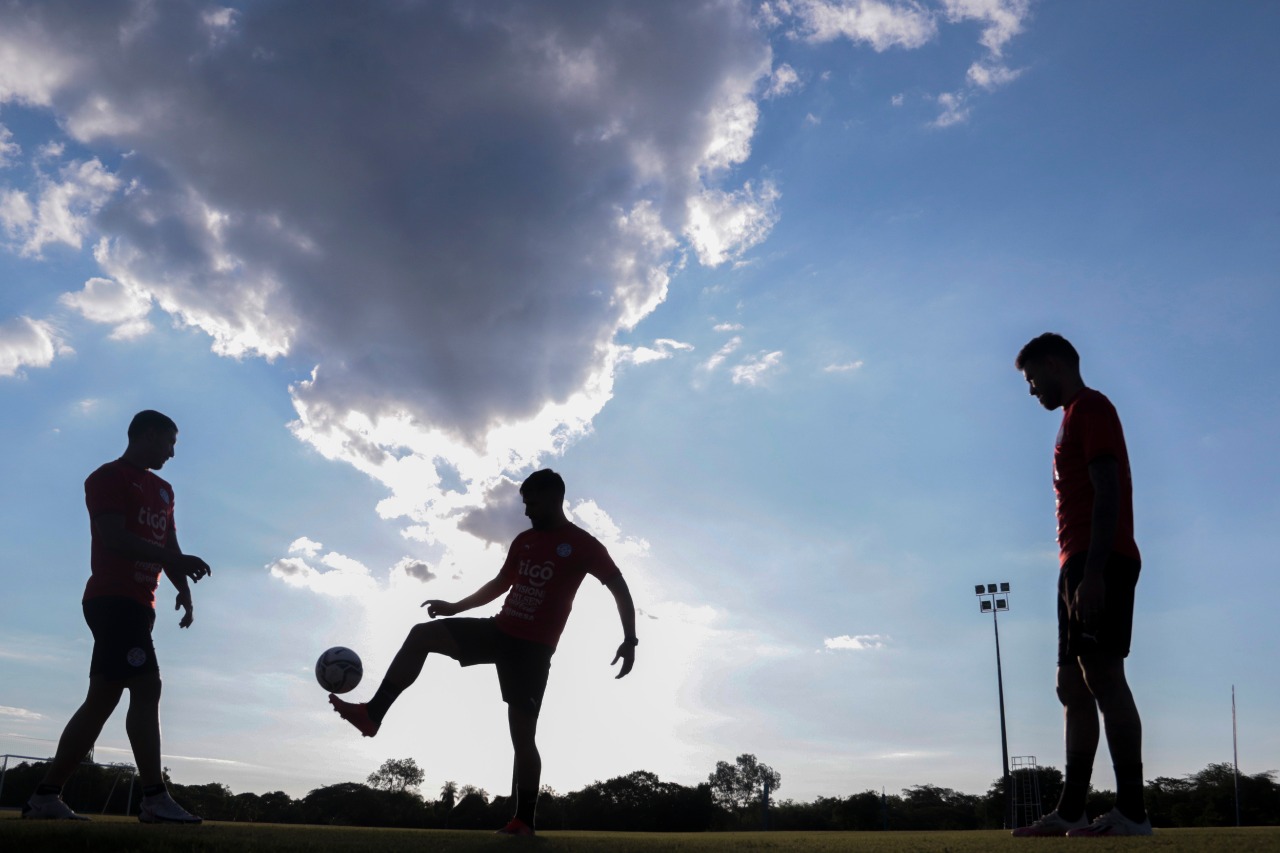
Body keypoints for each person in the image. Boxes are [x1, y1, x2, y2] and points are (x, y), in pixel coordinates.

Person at [329, 468, 637, 836]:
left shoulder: (584, 545)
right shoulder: (523, 541)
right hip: (498, 630)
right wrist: (456, 607)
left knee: (523, 739)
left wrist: (629, 639)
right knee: (420, 635)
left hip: (532, 652)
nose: (526, 511)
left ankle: (524, 820)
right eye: (524, 503)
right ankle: (372, 714)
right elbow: (500, 583)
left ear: (554, 498)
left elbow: (619, 587)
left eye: (532, 502)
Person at [23, 410, 211, 824]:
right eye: (169, 442)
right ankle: (154, 798)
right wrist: (169, 558)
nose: (172, 453)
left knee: (101, 700)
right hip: (112, 599)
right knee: (147, 686)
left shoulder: (164, 490)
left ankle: (45, 796)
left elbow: (170, 544)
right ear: (146, 434)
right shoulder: (107, 477)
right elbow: (114, 537)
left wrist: (183, 589)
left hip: (141, 605)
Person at [1011, 334, 1151, 838]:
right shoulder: (1071, 418)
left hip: (1101, 560)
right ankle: (1072, 810)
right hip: (1074, 563)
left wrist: (1093, 573)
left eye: (1032, 380)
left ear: (1053, 364)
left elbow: (1108, 487)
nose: (1031, 392)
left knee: (1104, 677)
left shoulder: (1092, 407)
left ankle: (1133, 812)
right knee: (1071, 685)